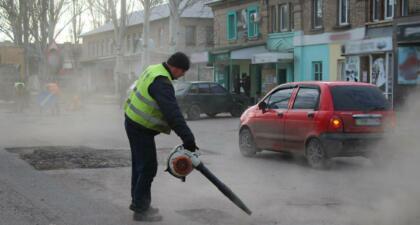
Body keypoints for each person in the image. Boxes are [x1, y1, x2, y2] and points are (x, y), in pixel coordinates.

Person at [124, 52, 198, 222]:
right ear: (176, 68)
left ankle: (139, 203)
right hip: (140, 127)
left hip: (132, 122)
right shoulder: (162, 83)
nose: (182, 76)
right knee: (148, 168)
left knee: (140, 166)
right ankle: (141, 210)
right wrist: (188, 139)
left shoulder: (154, 69)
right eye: (183, 72)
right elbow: (173, 114)